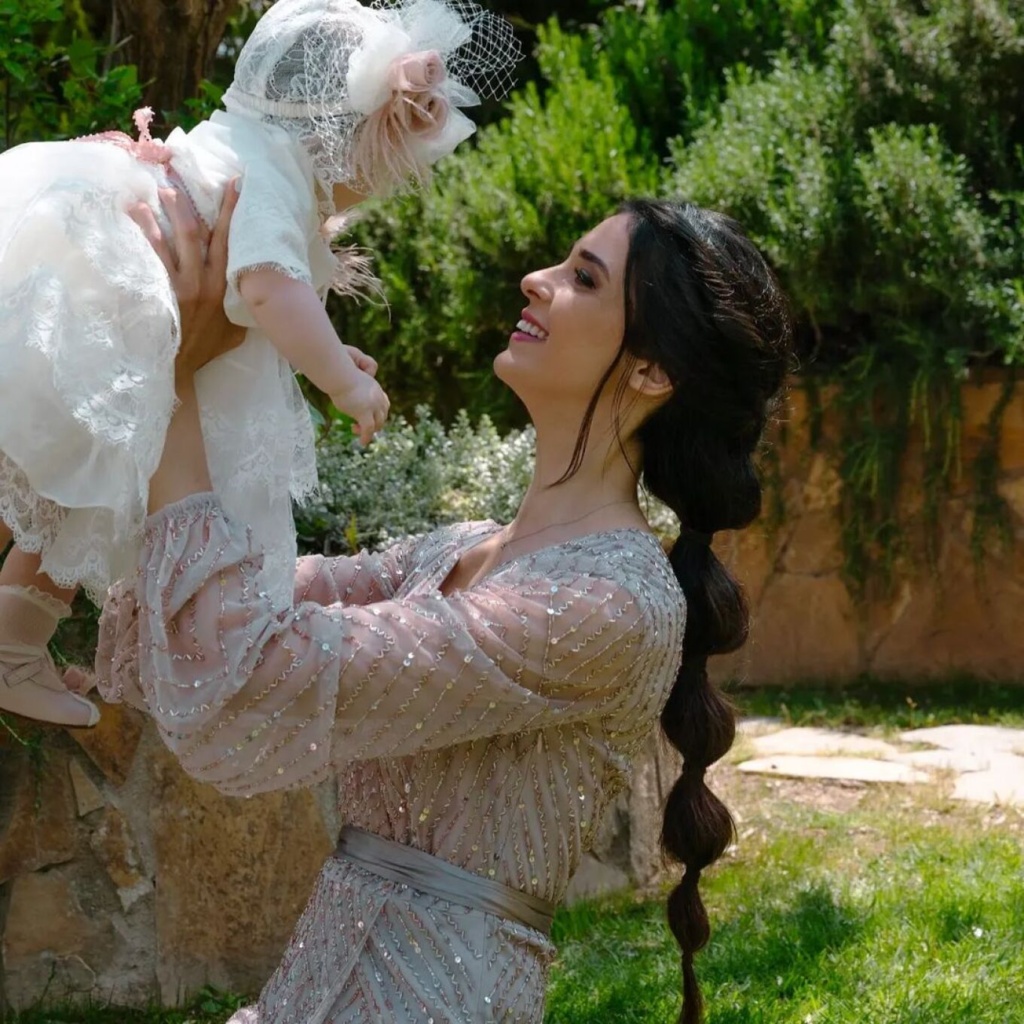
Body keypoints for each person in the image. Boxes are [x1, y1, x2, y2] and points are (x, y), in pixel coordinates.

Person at [85, 183, 793, 1023]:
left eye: (584, 278)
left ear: (653, 371)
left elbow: (261, 664)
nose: (535, 280)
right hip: (318, 983)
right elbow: (250, 602)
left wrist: (180, 381)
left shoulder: (610, 605)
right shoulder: (459, 550)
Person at [0, 0, 519, 728]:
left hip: (109, 301)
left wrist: (325, 350)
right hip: (124, 311)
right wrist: (343, 381)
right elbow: (267, 286)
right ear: (332, 139)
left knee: (61, 481)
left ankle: (14, 649)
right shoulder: (271, 177)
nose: (372, 189)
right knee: (66, 484)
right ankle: (12, 650)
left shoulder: (246, 149)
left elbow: (266, 301)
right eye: (376, 166)